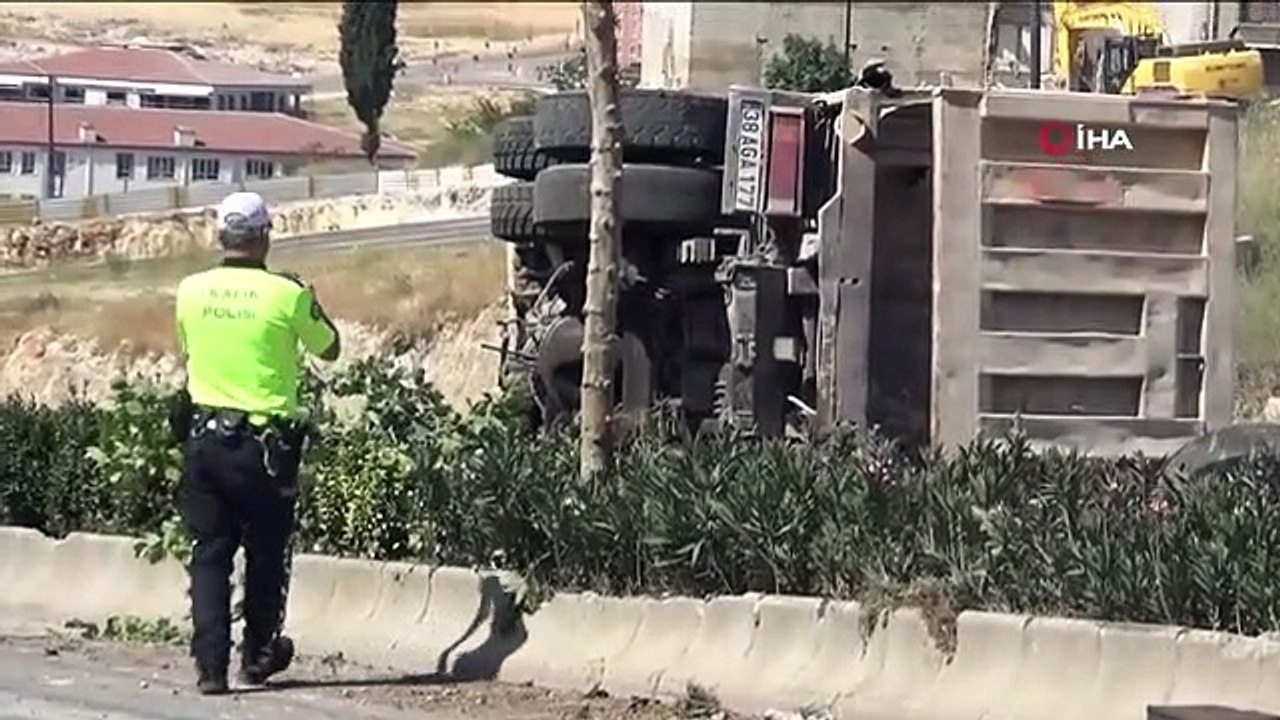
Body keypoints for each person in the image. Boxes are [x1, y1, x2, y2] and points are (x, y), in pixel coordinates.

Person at [172, 191, 341, 695]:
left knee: (209, 554)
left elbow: (188, 349)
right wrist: (306, 299)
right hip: (264, 448)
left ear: (222, 237)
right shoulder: (285, 295)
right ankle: (258, 655)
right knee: (265, 553)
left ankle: (209, 668)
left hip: (204, 441)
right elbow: (329, 347)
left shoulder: (190, 291)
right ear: (265, 236)